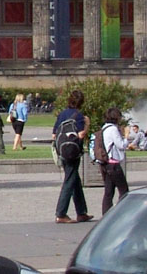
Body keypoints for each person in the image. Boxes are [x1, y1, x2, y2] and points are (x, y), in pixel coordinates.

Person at [53, 89, 92, 224]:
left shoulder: (62, 114)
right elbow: (81, 134)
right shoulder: (79, 115)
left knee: (75, 180)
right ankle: (61, 213)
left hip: (62, 150)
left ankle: (81, 212)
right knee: (70, 181)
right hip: (73, 151)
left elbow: (54, 134)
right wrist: (87, 125)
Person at [99, 107, 129, 214]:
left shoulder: (104, 128)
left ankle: (106, 214)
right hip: (114, 164)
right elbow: (121, 145)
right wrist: (126, 136)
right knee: (124, 190)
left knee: (108, 192)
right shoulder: (113, 129)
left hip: (106, 164)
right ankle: (122, 212)